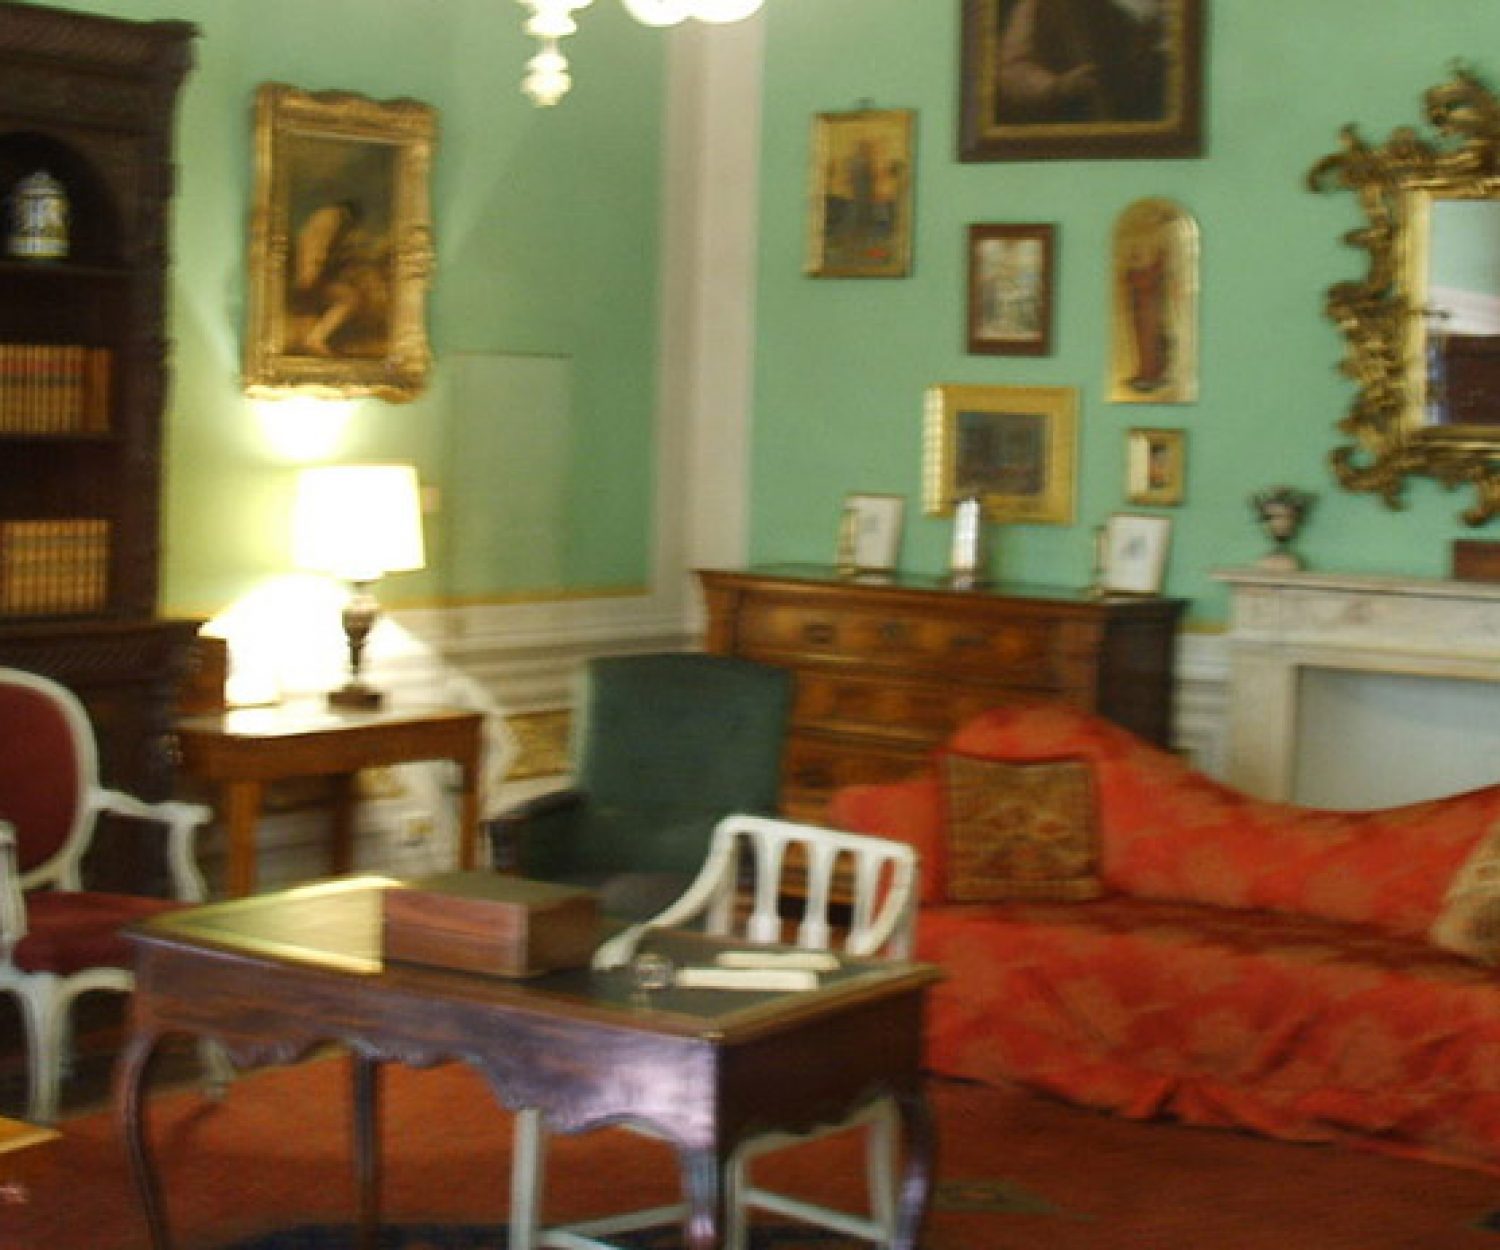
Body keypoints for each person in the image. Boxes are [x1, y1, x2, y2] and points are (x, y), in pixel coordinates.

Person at [994, 0, 1167, 125]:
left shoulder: (1124, 11)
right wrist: (1058, 86)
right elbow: (1011, 72)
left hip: (1126, 120)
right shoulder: (1041, 5)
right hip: (1068, 123)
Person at [290, 199, 390, 358]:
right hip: (309, 275)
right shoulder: (331, 219)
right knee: (350, 300)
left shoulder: (326, 217)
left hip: (310, 272)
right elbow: (318, 247)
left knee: (352, 295)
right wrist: (312, 273)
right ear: (348, 215)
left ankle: (316, 338)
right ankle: (314, 339)